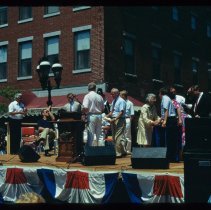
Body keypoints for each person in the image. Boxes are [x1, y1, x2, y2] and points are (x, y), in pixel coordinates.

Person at [159, 87, 179, 162]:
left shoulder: (164, 98)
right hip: (172, 119)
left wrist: (164, 121)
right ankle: (172, 157)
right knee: (172, 139)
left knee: (170, 139)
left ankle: (171, 157)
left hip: (170, 120)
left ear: (161, 93)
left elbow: (166, 110)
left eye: (159, 94)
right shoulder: (168, 98)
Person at [106, 88, 127, 157]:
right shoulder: (113, 101)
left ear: (117, 93)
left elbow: (121, 112)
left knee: (117, 136)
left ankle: (118, 153)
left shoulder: (121, 101)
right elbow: (112, 112)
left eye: (113, 93)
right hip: (113, 119)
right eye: (111, 93)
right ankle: (123, 151)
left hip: (120, 119)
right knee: (114, 136)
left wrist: (115, 119)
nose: (111, 95)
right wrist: (105, 116)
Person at [82, 82, 104, 146]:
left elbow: (85, 107)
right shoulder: (100, 96)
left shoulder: (87, 96)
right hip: (99, 115)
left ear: (88, 88)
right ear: (95, 88)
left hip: (91, 115)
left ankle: (90, 152)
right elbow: (103, 108)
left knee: (91, 134)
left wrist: (83, 113)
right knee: (99, 135)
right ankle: (101, 150)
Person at [120, 90, 134, 154]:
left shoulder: (130, 103)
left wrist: (129, 121)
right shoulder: (120, 102)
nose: (119, 96)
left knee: (127, 135)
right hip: (121, 119)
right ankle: (123, 150)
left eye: (120, 95)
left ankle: (128, 150)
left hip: (127, 119)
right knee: (122, 135)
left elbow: (132, 114)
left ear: (123, 95)